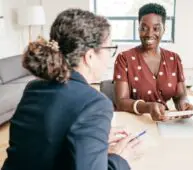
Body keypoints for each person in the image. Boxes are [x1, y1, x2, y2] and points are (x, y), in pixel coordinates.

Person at [2, 9, 140, 170]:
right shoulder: (95, 104)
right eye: (109, 49)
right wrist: (119, 159)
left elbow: (41, 146)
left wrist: (93, 139)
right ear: (89, 57)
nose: (110, 56)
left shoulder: (34, 88)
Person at [113, 3, 193, 121]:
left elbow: (180, 95)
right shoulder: (124, 58)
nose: (149, 34)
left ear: (164, 29)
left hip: (163, 122)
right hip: (133, 122)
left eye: (156, 28)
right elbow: (121, 102)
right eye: (144, 28)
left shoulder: (174, 59)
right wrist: (147, 107)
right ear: (138, 28)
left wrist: (184, 103)